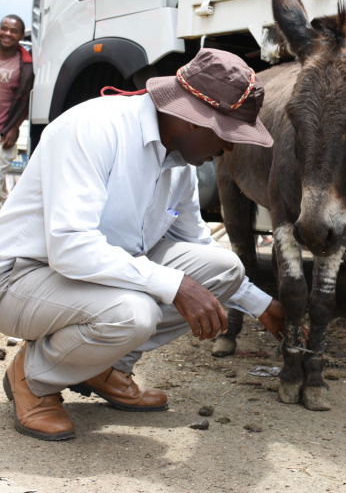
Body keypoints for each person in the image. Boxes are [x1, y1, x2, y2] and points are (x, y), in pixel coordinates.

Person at [0, 48, 284, 441]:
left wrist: (261, 304)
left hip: (91, 275)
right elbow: (70, 247)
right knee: (133, 314)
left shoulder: (179, 160)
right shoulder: (94, 128)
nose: (231, 149)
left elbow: (196, 244)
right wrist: (175, 285)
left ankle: (104, 368)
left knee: (225, 269)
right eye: (227, 134)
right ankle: (33, 378)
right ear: (192, 120)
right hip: (22, 277)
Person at [0, 14, 33, 206]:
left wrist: (15, 127)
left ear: (21, 35)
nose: (7, 33)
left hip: (5, 132)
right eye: (4, 28)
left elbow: (26, 99)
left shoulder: (26, 65)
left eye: (13, 31)